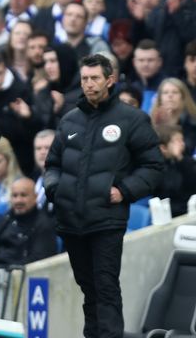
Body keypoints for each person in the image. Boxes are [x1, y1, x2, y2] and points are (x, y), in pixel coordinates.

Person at [44, 54, 164, 338]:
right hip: (71, 219)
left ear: (110, 80)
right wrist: (55, 190)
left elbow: (154, 166)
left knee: (106, 287)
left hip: (107, 221)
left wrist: (124, 190)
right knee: (88, 289)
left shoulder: (131, 119)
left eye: (95, 78)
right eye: (84, 78)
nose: (89, 84)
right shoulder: (70, 119)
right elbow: (53, 165)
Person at [0, 177, 56, 268]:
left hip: (23, 275)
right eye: (15, 196)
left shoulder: (43, 224)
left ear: (35, 197)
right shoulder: (7, 217)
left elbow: (40, 260)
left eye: (23, 195)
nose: (18, 200)